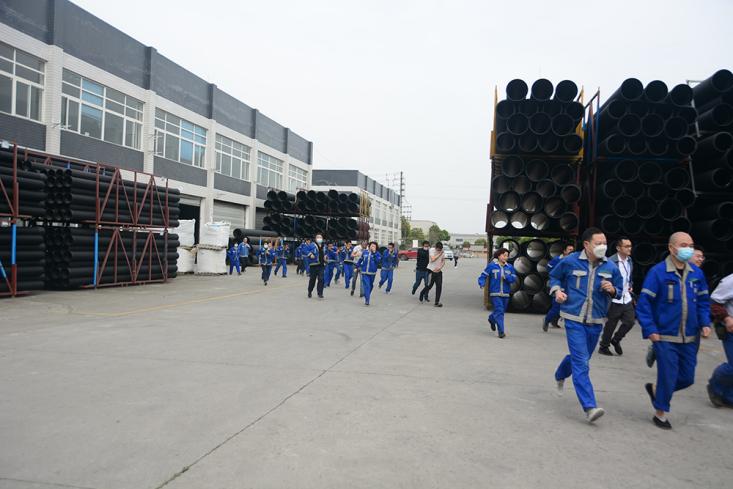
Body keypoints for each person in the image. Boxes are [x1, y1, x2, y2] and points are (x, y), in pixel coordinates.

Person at [636, 232, 712, 430]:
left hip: (690, 336)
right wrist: (650, 329)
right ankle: (660, 413)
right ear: (671, 248)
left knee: (687, 377)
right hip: (664, 336)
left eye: (691, 245)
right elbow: (644, 304)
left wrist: (705, 322)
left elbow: (703, 301)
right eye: (683, 245)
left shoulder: (697, 274)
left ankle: (656, 390)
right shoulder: (658, 273)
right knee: (668, 375)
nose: (688, 249)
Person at [550, 227, 622, 424]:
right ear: (587, 245)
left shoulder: (611, 267)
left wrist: (612, 289)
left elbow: (620, 289)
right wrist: (557, 291)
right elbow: (554, 277)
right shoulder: (570, 261)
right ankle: (590, 407)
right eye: (598, 243)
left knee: (580, 358)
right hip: (573, 318)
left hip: (596, 320)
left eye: (604, 243)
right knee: (582, 362)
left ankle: (560, 373)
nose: (603, 246)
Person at [599, 237, 635, 356]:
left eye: (630, 246)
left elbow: (629, 277)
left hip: (626, 297)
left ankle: (616, 340)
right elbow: (604, 278)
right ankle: (604, 346)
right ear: (618, 248)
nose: (629, 248)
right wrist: (610, 289)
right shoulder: (610, 262)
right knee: (611, 324)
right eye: (626, 246)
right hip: (614, 297)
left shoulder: (629, 260)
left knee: (630, 321)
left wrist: (630, 285)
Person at [479, 248, 517, 338]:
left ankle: (491, 319)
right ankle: (501, 332)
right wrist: (481, 283)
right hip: (495, 293)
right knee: (499, 311)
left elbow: (513, 279)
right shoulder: (492, 266)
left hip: (506, 294)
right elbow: (483, 276)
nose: (506, 257)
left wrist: (507, 277)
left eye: (507, 256)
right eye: (504, 255)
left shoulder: (510, 267)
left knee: (500, 311)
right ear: (499, 256)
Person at [707, 273, 733, 407]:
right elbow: (714, 302)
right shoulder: (731, 281)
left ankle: (729, 396)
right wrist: (727, 318)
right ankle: (715, 387)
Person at [543, 243, 575, 332]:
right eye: (569, 250)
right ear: (564, 251)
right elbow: (550, 270)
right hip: (558, 287)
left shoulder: (573, 261)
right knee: (556, 307)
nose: (571, 252)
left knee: (567, 307)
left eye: (572, 250)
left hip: (568, 287)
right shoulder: (557, 260)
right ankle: (547, 320)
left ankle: (554, 321)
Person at [420, 241, 445, 307]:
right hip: (431, 270)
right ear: (435, 248)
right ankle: (422, 293)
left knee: (439, 286)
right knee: (429, 286)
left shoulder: (442, 252)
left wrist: (440, 268)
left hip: (438, 271)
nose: (439, 251)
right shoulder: (431, 250)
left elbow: (443, 261)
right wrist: (440, 254)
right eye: (438, 250)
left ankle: (436, 302)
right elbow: (433, 259)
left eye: (440, 250)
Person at [356, 241, 381, 306]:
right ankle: (367, 300)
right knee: (367, 285)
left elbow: (378, 261)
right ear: (369, 246)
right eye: (372, 246)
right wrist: (357, 266)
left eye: (374, 246)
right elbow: (360, 260)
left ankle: (367, 294)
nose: (373, 247)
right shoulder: (365, 252)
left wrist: (374, 253)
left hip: (372, 273)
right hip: (364, 272)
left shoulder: (377, 253)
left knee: (370, 286)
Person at [305, 234, 325, 298]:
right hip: (314, 265)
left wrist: (325, 257)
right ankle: (310, 291)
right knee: (312, 280)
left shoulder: (324, 246)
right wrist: (310, 254)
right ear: (315, 239)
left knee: (321, 279)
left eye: (320, 237)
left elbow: (325, 253)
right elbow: (304, 250)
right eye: (318, 237)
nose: (319, 238)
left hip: (321, 265)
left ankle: (320, 293)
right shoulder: (312, 245)